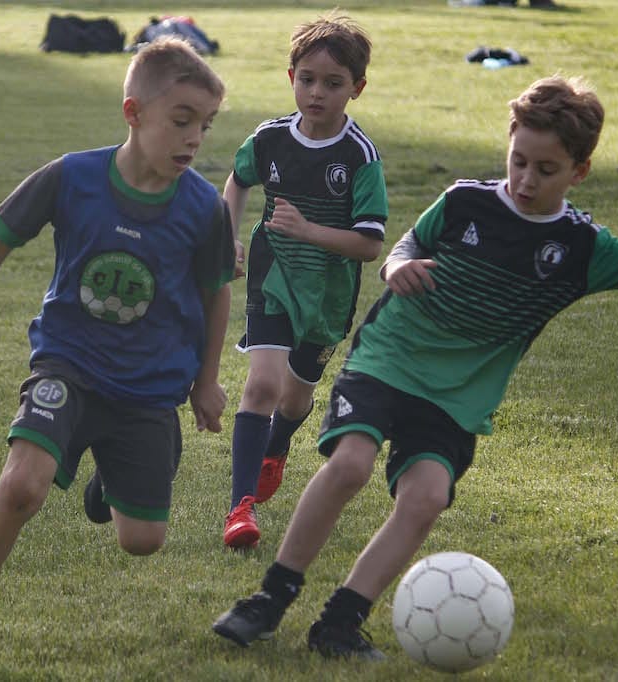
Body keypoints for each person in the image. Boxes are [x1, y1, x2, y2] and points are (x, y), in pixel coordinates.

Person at [212, 75, 618, 659]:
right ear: (508, 144)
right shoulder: (466, 201)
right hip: (390, 357)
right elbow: (407, 244)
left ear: (578, 172)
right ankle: (270, 600)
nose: (525, 180)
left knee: (427, 497)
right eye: (518, 161)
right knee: (352, 464)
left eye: (546, 169)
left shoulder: (582, 247)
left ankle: (338, 623)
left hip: (458, 394)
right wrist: (396, 270)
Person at [0, 38, 234, 670]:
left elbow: (215, 294)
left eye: (205, 124)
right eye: (181, 120)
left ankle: (107, 483)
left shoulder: (202, 208)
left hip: (148, 390)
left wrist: (207, 381)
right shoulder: (74, 176)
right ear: (133, 112)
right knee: (22, 488)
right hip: (68, 364)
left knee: (142, 541)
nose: (195, 138)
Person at [221, 12, 389, 550]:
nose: (317, 93)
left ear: (356, 89)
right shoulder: (269, 139)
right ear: (290, 76)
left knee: (293, 401)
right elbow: (237, 180)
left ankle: (277, 446)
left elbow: (368, 245)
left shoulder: (359, 157)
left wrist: (310, 229)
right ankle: (239, 509)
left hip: (328, 294)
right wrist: (229, 235)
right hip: (273, 277)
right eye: (307, 80)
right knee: (262, 386)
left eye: (333, 84)